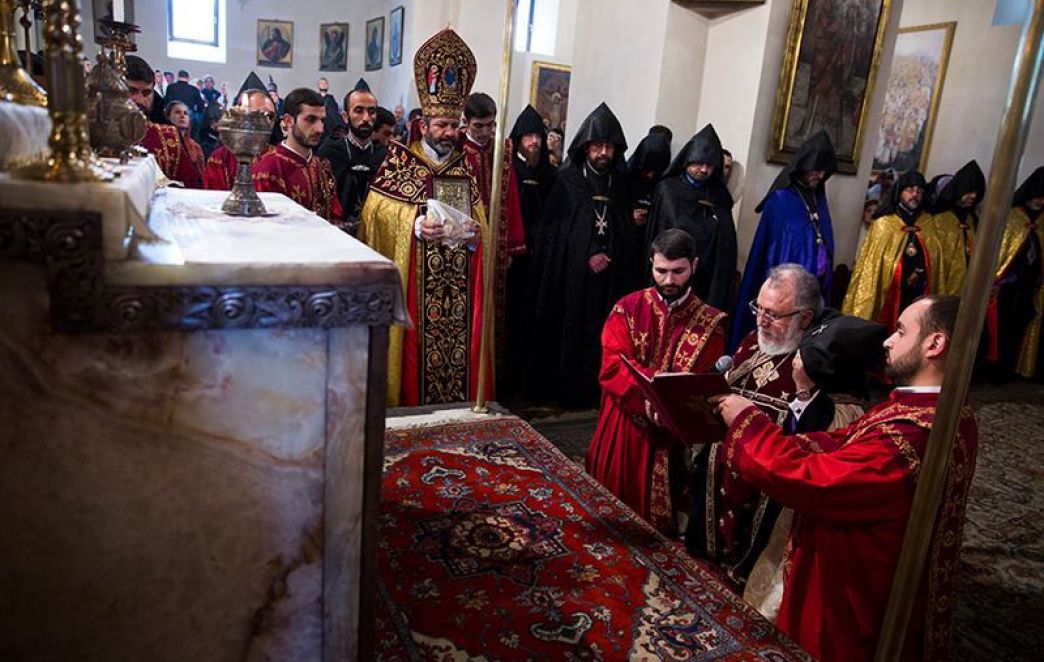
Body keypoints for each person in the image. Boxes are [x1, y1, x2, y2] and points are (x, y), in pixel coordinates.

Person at [712, 294, 978, 662]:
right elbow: (847, 441)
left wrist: (748, 424)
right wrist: (796, 441)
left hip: (853, 592)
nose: (887, 340)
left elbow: (814, 480)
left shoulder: (913, 434)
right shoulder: (935, 408)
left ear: (935, 344)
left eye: (901, 331)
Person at [685, 265, 864, 579]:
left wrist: (804, 392)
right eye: (758, 308)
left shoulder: (824, 362)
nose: (761, 320)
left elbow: (834, 428)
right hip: (723, 473)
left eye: (774, 314)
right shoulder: (754, 341)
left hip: (770, 484)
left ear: (805, 318)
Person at [358, 28, 490, 407]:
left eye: (454, 125)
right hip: (415, 280)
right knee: (415, 348)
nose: (449, 133)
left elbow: (478, 214)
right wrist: (412, 226)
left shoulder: (464, 166)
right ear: (424, 124)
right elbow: (375, 213)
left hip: (459, 283)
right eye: (442, 125)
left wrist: (473, 233)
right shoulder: (400, 160)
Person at [587, 229, 727, 535]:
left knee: (660, 523)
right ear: (651, 264)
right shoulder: (627, 307)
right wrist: (649, 395)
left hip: (671, 434)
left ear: (694, 265)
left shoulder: (711, 323)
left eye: (678, 271)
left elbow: (698, 383)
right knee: (607, 511)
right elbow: (613, 367)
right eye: (661, 270)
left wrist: (668, 399)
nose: (669, 280)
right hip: (623, 423)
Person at [529, 102, 636, 408]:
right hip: (572, 277)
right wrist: (586, 254)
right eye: (598, 146)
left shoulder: (620, 184)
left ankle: (597, 390)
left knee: (604, 333)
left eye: (609, 147)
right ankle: (566, 390)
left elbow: (626, 230)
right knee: (571, 328)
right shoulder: (569, 181)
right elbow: (559, 234)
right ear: (586, 147)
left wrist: (610, 253)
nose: (604, 153)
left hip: (611, 278)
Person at [731, 130, 837, 349]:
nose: (819, 175)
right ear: (802, 166)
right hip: (785, 286)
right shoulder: (781, 199)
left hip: (813, 286)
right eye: (814, 169)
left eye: (823, 171)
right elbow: (775, 249)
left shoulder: (818, 198)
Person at [843, 170, 966, 329]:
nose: (915, 194)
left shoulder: (928, 223)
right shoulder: (884, 223)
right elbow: (871, 268)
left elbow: (936, 261)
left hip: (919, 290)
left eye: (920, 191)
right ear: (900, 191)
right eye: (910, 190)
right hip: (889, 291)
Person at [646, 124, 737, 311]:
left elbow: (727, 241)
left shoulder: (719, 195)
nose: (704, 170)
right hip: (672, 273)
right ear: (688, 160)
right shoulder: (668, 189)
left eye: (709, 165)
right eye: (699, 163)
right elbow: (660, 232)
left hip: (707, 278)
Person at [503, 105, 558, 398]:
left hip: (542, 258)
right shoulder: (508, 169)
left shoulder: (551, 174)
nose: (534, 142)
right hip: (515, 260)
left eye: (538, 136)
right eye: (528, 137)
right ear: (519, 139)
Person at [252, 88, 344, 224]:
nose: (320, 129)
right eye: (310, 120)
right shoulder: (267, 169)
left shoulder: (323, 167)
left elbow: (335, 216)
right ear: (289, 121)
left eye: (322, 121)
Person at [988, 166, 1044, 378]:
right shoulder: (1012, 217)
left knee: (1020, 326)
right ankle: (993, 369)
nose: (1040, 201)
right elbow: (1001, 250)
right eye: (1037, 196)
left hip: (1030, 286)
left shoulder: (1042, 222)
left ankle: (1012, 367)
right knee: (1000, 326)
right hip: (1007, 286)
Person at [317, 80, 386, 234]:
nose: (366, 118)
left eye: (372, 111)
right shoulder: (330, 152)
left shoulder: (385, 155)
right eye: (359, 111)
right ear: (345, 116)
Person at [125, 55, 204, 189]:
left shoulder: (169, 139)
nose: (139, 100)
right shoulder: (86, 134)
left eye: (146, 93)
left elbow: (192, 190)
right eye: (131, 91)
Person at [203, 73, 277, 191]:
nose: (266, 121)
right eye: (257, 114)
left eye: (270, 116)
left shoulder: (279, 159)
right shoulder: (220, 158)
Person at [626, 131, 671, 291]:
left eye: (655, 171)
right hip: (625, 246)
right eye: (646, 170)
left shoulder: (667, 186)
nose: (650, 175)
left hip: (651, 248)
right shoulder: (625, 177)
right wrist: (628, 218)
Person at [929, 160, 986, 263]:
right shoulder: (938, 216)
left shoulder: (972, 219)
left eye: (976, 192)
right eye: (970, 191)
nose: (973, 196)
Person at [164, 100, 205, 183]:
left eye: (186, 113)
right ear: (168, 117)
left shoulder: (195, 147)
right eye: (177, 112)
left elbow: (201, 175)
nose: (182, 116)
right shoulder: (162, 142)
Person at [164, 69, 206, 138]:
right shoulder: (193, 89)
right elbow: (201, 106)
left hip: (173, 118)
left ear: (178, 76)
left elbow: (167, 104)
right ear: (188, 78)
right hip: (189, 119)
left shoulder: (171, 87)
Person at [317, 76, 345, 142]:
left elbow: (334, 110)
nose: (323, 85)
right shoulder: (316, 97)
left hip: (330, 124)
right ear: (318, 86)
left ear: (328, 86)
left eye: (325, 83)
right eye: (321, 83)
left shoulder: (330, 98)